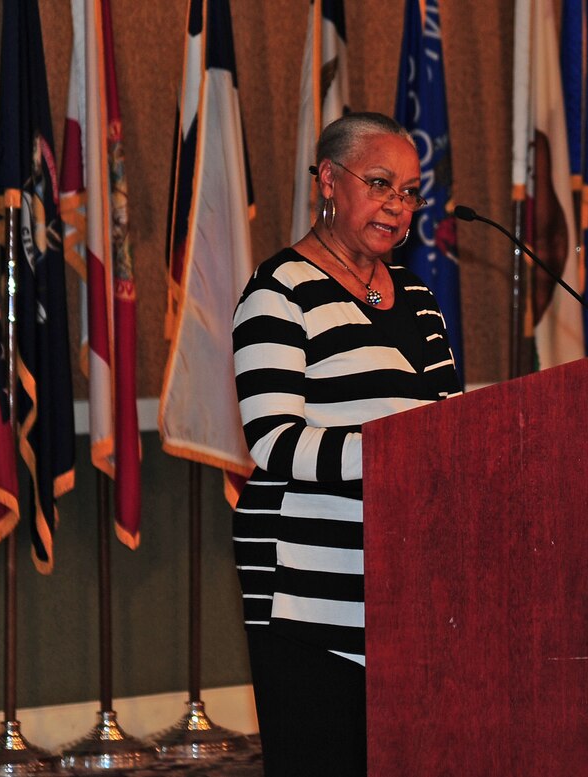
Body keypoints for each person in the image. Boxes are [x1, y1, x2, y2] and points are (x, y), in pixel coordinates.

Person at [231, 112, 462, 776]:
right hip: (307, 584)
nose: (398, 204)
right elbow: (275, 440)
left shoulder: (418, 297)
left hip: (407, 572)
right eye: (381, 183)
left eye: (410, 191)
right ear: (330, 181)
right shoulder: (279, 294)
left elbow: (446, 419)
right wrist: (396, 454)